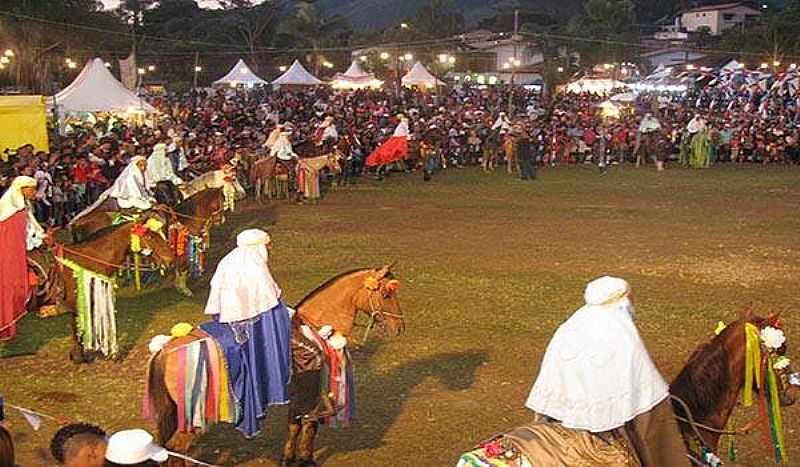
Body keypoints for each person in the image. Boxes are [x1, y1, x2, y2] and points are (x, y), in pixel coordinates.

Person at [520, 276, 689, 466]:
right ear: (622, 301)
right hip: (605, 427)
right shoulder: (621, 333)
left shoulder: (572, 324)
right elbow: (647, 398)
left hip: (559, 415)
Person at [200, 228, 292, 437]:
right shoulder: (256, 265)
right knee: (277, 335)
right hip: (253, 323)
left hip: (228, 317)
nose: (269, 249)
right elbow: (270, 299)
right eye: (268, 245)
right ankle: (270, 381)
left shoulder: (228, 260)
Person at [0, 176, 45, 341]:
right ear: (22, 189)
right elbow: (15, 234)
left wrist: (41, 235)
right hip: (9, 252)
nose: (34, 193)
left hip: (21, 247)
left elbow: (31, 224)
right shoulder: (11, 210)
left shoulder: (23, 205)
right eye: (31, 189)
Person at [70, 156, 156, 227]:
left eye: (144, 165)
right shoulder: (130, 176)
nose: (143, 168)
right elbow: (134, 194)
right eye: (140, 165)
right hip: (122, 198)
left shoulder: (140, 176)